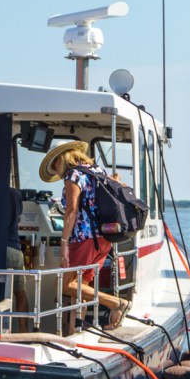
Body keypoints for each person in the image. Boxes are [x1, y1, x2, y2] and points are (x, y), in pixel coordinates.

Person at [39, 141, 129, 330]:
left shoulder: (73, 175)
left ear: (62, 158)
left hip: (84, 238)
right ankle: (75, 330)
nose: (56, 169)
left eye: (55, 163)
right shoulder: (97, 171)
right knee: (81, 287)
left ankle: (115, 303)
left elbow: (71, 210)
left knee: (66, 285)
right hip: (105, 237)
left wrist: (64, 243)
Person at [6, 186, 29, 331]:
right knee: (20, 293)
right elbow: (19, 217)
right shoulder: (15, 194)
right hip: (13, 247)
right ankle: (24, 332)